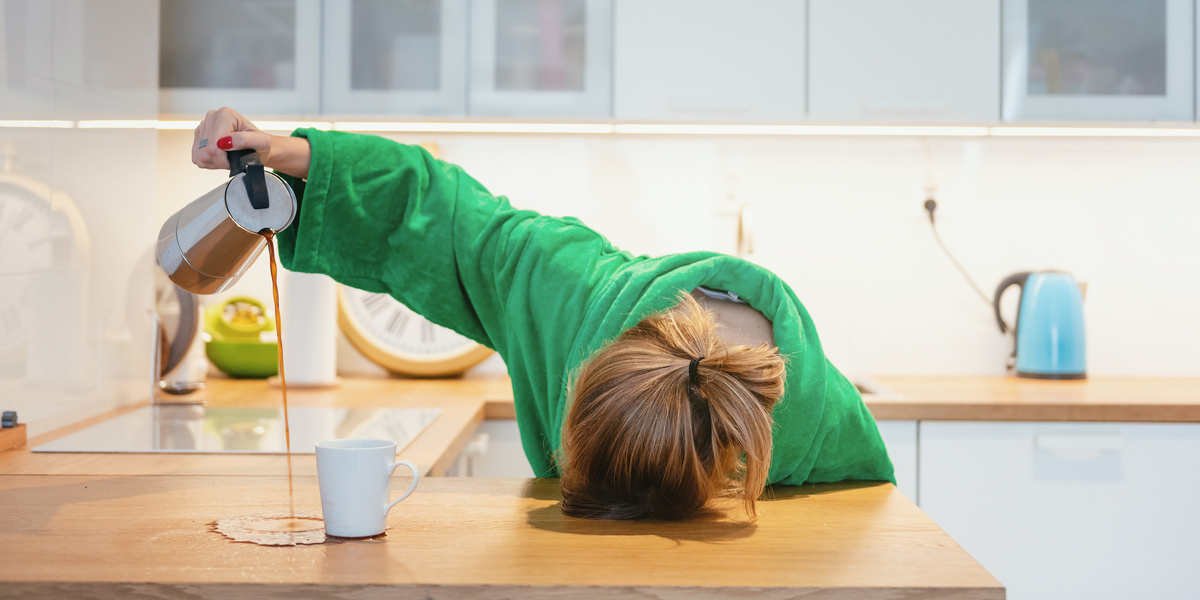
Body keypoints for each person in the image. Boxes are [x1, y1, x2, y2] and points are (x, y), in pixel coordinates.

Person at [192, 107, 895, 521]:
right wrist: (299, 156)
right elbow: (443, 215)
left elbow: (863, 532)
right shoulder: (565, 289)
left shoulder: (819, 426)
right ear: (580, 371)